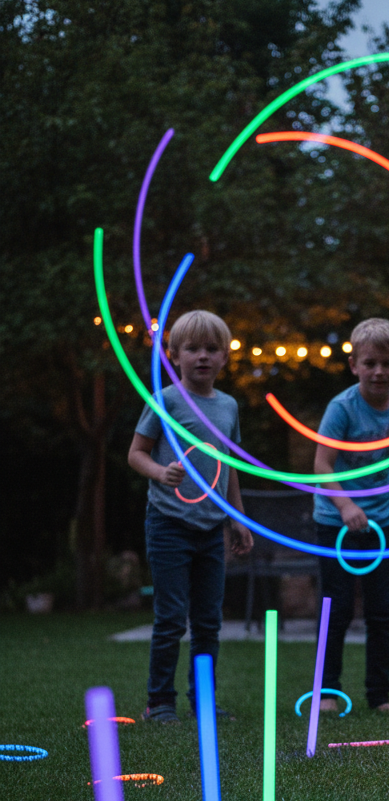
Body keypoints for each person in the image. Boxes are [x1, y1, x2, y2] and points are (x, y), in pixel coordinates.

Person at [128, 310, 252, 723]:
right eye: (192, 349)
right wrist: (161, 473)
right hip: (169, 524)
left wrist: (237, 516)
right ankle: (159, 702)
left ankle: (203, 702)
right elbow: (136, 453)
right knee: (170, 618)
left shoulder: (228, 406)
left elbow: (228, 463)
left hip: (211, 527)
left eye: (211, 349)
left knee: (208, 621)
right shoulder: (165, 401)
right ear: (173, 355)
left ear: (224, 357)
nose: (202, 356)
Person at [313, 318, 389, 713]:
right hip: (336, 521)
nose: (378, 371)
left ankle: (379, 696)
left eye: (387, 363)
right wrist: (346, 505)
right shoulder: (341, 408)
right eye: (370, 363)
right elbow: (322, 465)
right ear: (353, 364)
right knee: (335, 609)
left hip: (382, 523)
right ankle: (327, 692)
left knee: (382, 611)